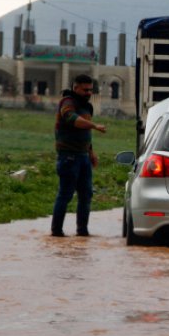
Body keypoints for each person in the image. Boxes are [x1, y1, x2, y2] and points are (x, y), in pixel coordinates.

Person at [51, 74, 107, 237]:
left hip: (83, 157)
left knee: (86, 194)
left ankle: (82, 232)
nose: (89, 93)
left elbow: (85, 131)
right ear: (75, 88)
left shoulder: (87, 107)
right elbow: (73, 120)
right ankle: (56, 232)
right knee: (66, 194)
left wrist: (91, 152)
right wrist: (95, 125)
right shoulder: (67, 102)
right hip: (68, 156)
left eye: (90, 90)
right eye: (85, 90)